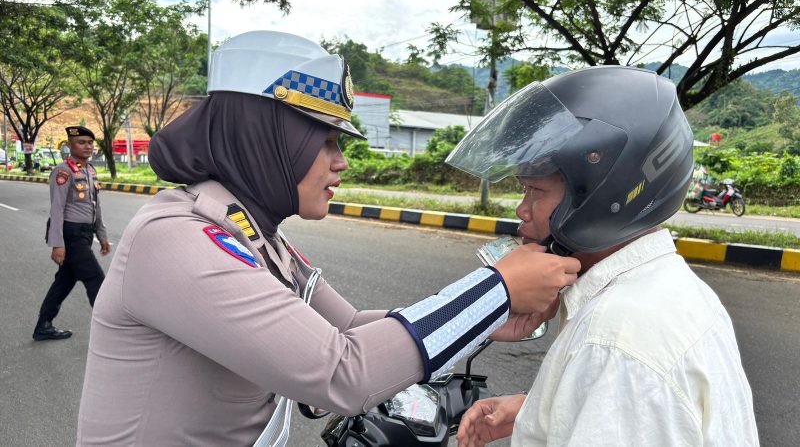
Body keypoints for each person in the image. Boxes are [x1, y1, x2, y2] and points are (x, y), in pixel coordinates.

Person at [75, 31, 581, 446]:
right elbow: (342, 371)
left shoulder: (258, 236)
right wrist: (494, 291)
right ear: (267, 138)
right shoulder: (178, 239)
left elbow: (352, 327)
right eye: (325, 140)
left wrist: (484, 323)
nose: (341, 161)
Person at [451, 67, 758, 446]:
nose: (521, 210)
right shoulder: (669, 290)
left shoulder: (617, 342)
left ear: (598, 199)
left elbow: (630, 388)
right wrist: (538, 410)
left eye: (534, 191)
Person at [33, 126, 110, 341]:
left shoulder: (90, 171)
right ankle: (111, 332)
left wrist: (101, 235)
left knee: (64, 281)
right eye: (82, 142)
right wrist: (57, 243)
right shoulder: (63, 171)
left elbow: (96, 207)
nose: (87, 146)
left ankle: (43, 325)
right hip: (71, 235)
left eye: (90, 143)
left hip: (85, 234)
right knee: (96, 278)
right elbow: (57, 208)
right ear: (70, 145)